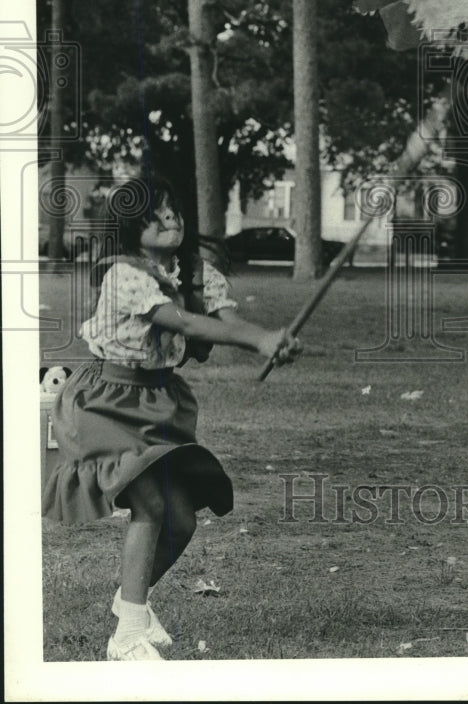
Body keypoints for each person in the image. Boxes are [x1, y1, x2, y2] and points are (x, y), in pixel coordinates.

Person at [42, 175, 301, 662]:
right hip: (105, 403)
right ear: (129, 228)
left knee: (181, 520)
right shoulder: (125, 276)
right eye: (154, 215)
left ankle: (128, 600)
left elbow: (224, 320)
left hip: (159, 403)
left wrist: (270, 337)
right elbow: (180, 321)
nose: (170, 220)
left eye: (173, 211)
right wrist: (258, 341)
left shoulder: (198, 274)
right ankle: (127, 637)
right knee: (152, 506)